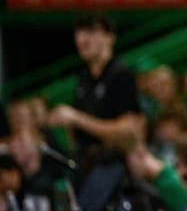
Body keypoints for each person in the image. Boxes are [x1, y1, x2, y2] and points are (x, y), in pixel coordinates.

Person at [48, 13, 144, 174]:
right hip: (86, 163)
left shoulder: (120, 74)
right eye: (79, 33)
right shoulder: (83, 75)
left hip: (114, 166)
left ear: (110, 37)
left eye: (91, 32)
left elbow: (128, 130)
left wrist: (77, 118)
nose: (82, 39)